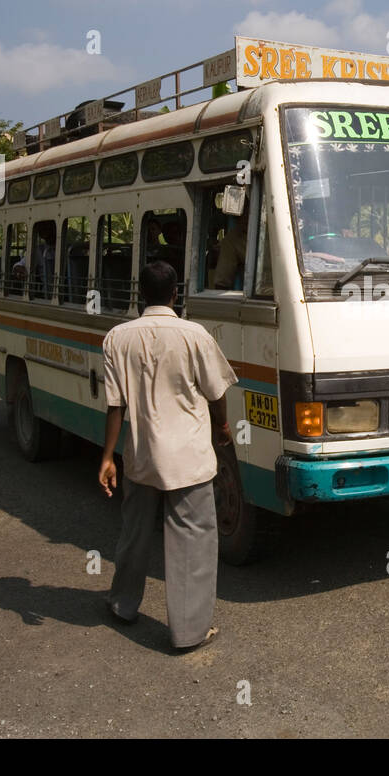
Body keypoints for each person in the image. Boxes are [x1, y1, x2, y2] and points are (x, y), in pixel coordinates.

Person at [98, 260, 238, 651]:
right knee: (192, 542)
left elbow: (115, 406)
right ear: (176, 293)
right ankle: (188, 632)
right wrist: (222, 427)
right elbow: (216, 393)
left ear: (141, 292)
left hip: (141, 456)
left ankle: (123, 604)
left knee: (134, 533)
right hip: (189, 458)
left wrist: (108, 457)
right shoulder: (195, 335)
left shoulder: (117, 338)